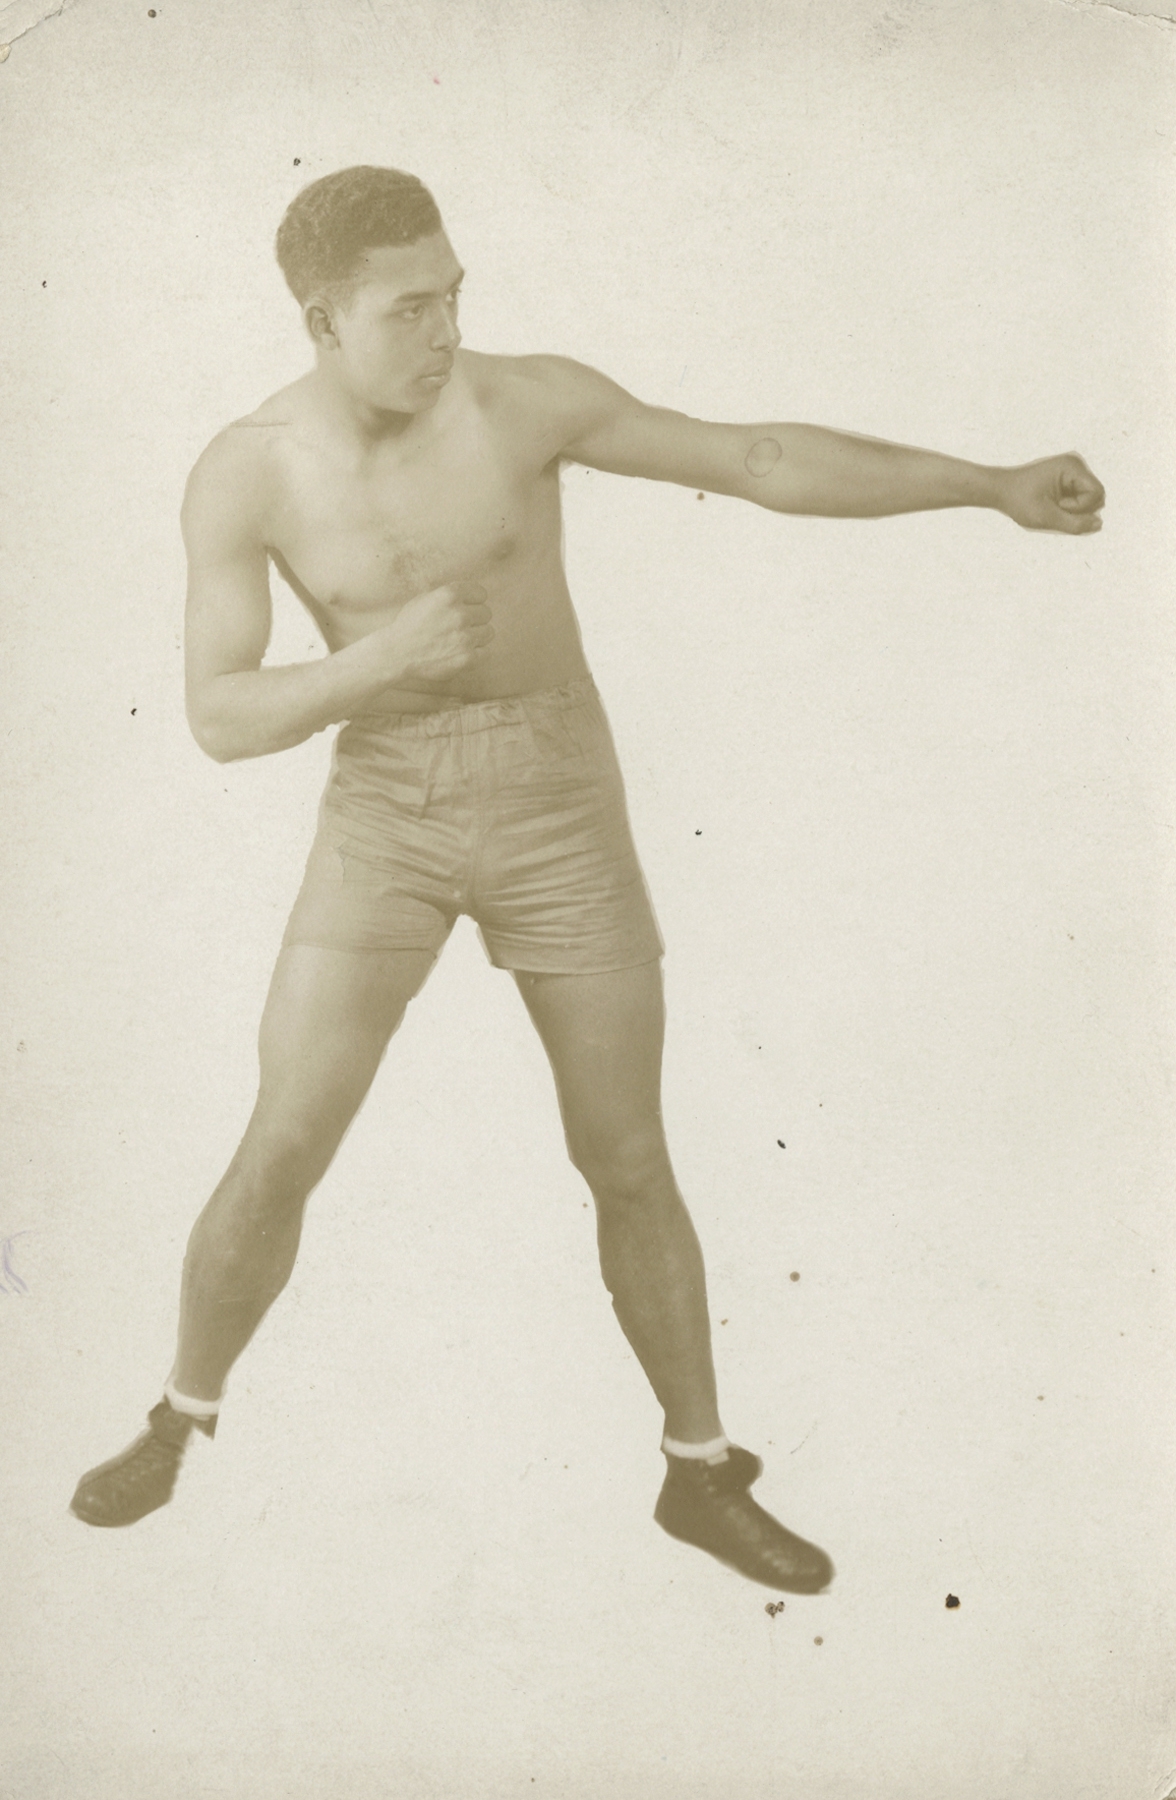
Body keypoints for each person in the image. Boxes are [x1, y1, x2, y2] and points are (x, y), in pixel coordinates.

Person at [69, 166, 1104, 1590]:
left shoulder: (524, 402)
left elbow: (757, 459)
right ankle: (178, 1420)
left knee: (625, 1152)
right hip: (388, 802)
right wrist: (375, 663)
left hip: (560, 795)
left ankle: (698, 1471)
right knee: (286, 1137)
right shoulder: (245, 470)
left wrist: (986, 488)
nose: (444, 331)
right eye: (409, 307)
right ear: (321, 317)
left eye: (455, 296)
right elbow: (213, 713)